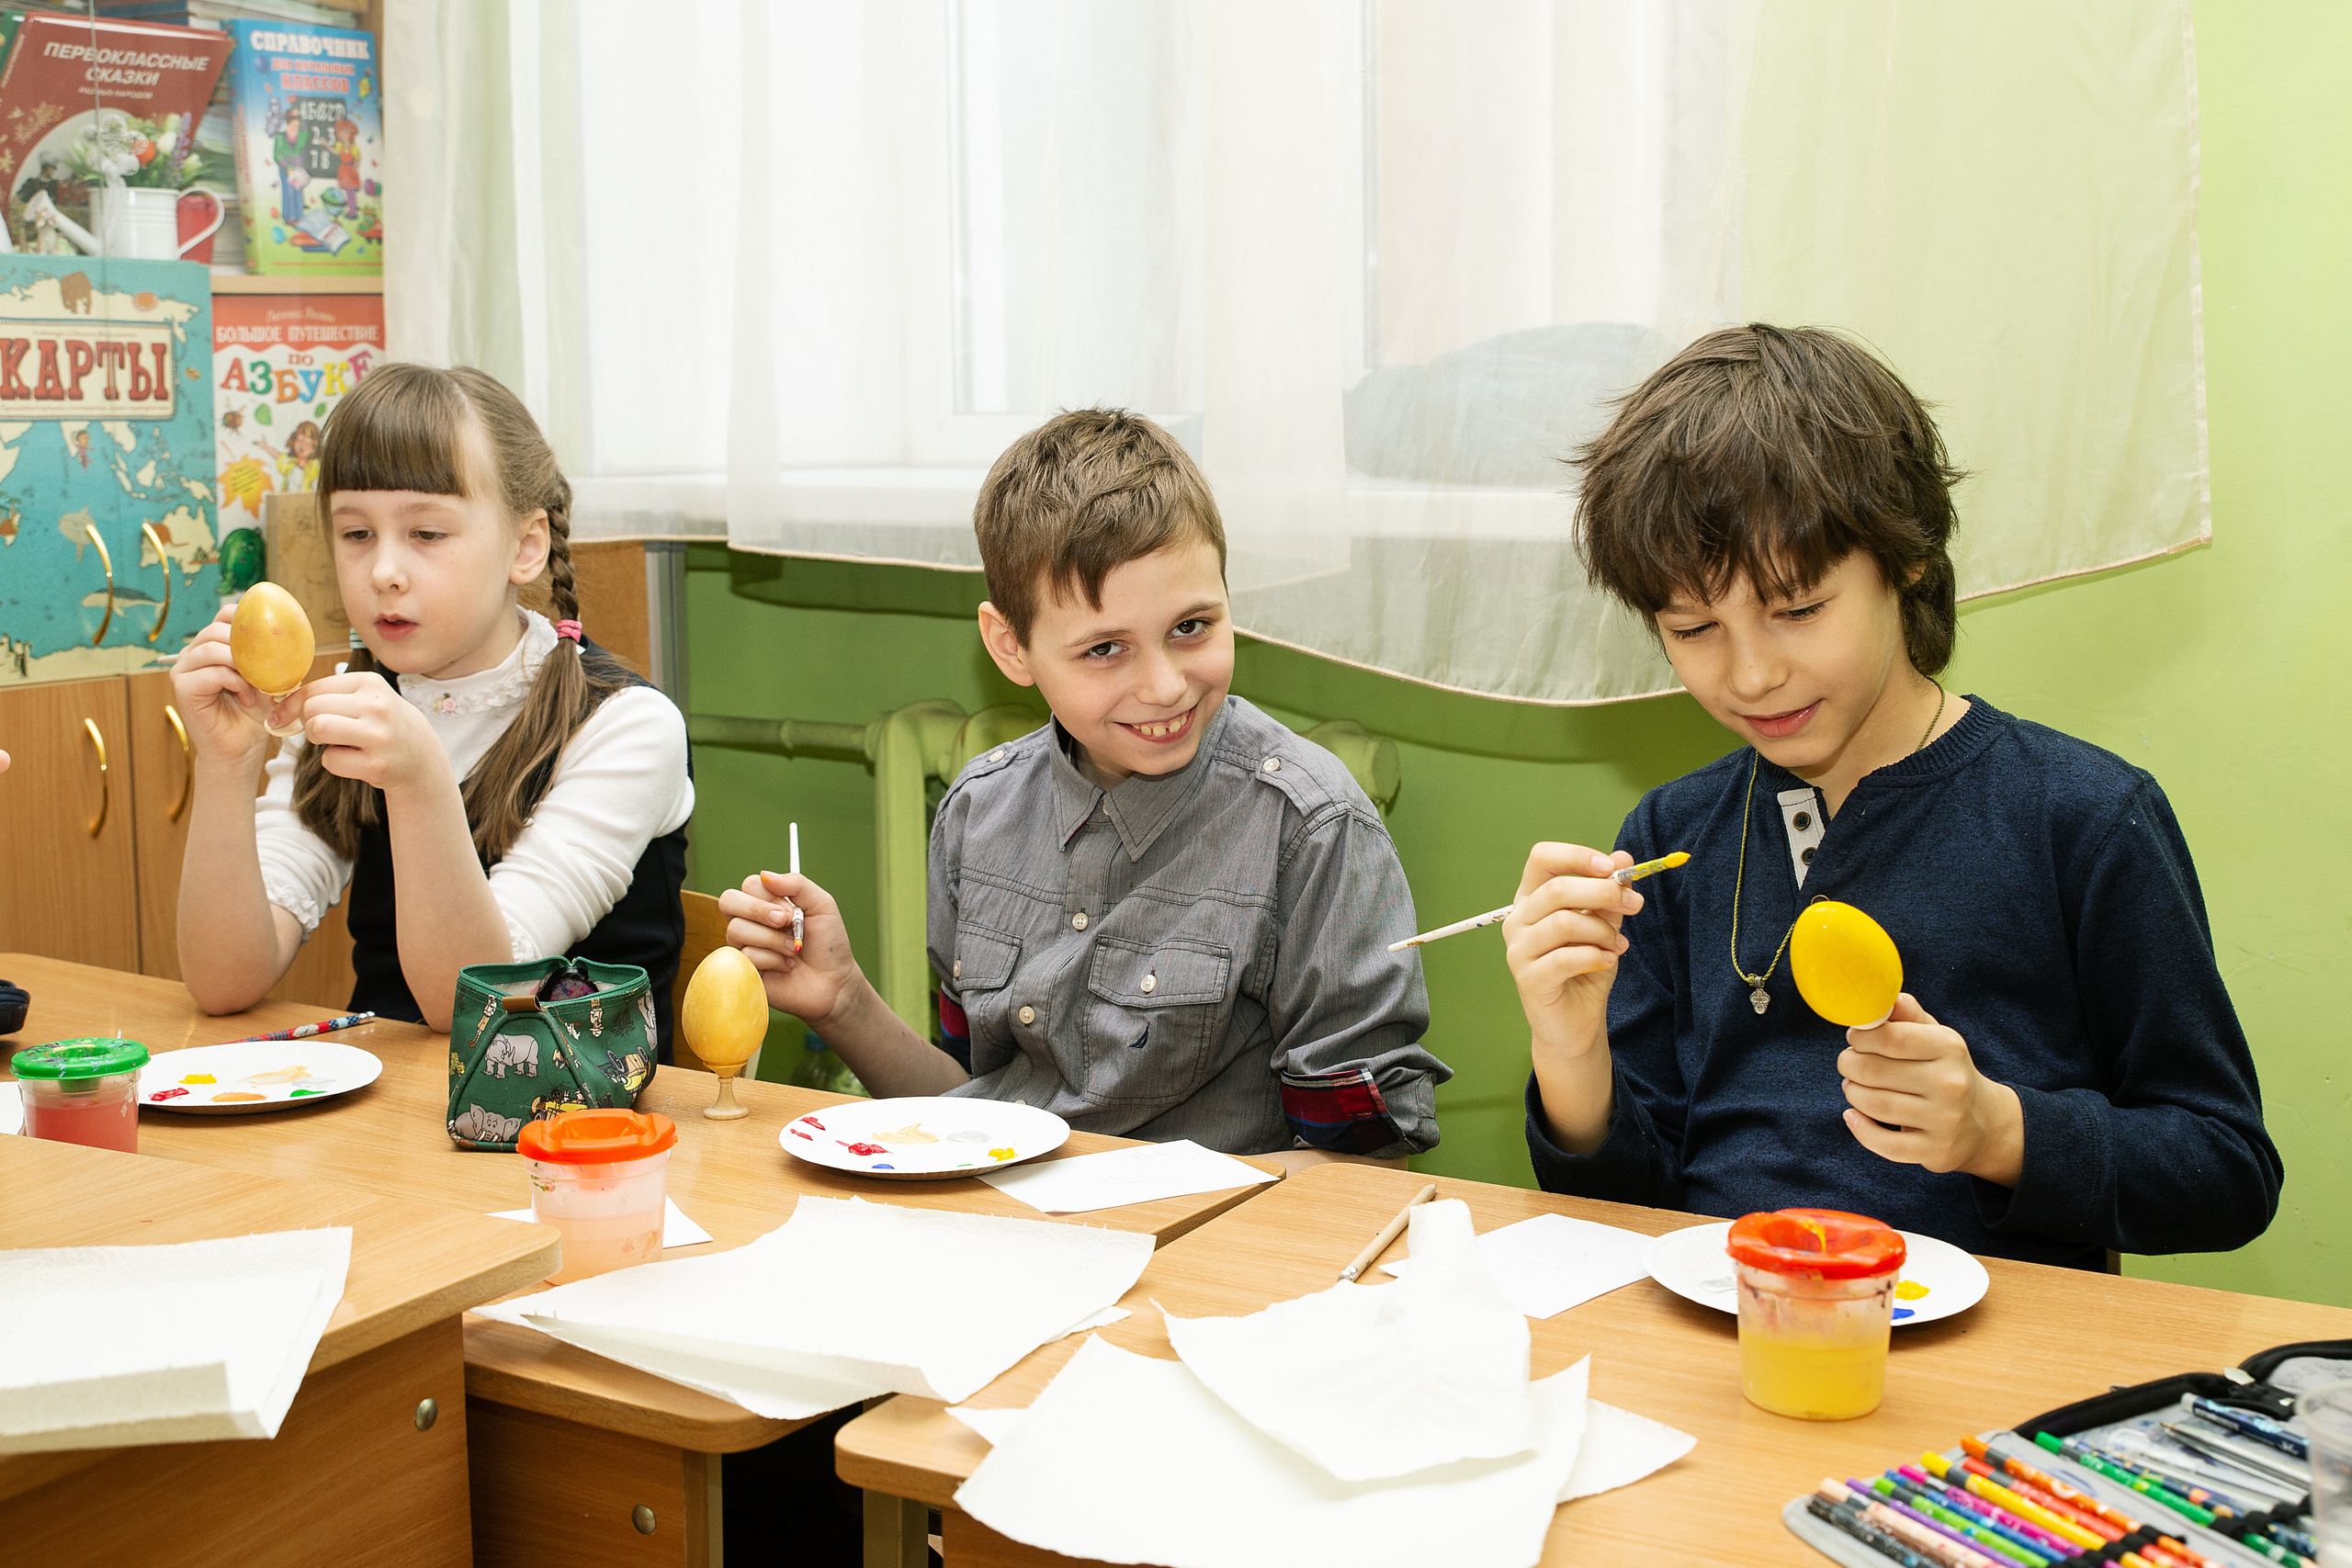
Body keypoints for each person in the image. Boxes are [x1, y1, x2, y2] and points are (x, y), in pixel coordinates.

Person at [1508, 324, 2279, 1269]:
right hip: (1732, 1337)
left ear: (1904, 557)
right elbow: (1624, 1205)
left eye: (1797, 610)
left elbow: (2227, 1173)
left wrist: (1997, 1131)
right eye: (1694, 626)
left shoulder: (2079, 816)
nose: (1750, 675)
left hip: (1987, 1364)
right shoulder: (1672, 834)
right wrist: (1569, 1049)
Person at [721, 408, 1449, 1167]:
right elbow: (971, 1106)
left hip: (1206, 1263)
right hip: (1010, 1246)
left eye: (1192, 626)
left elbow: (1366, 1162)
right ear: (1012, 646)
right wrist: (843, 1001)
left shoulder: (1311, 828)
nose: (1165, 685)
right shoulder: (977, 812)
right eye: (1106, 648)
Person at [169, 363, 694, 1051]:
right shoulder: (347, 703)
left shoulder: (625, 725)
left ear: (525, 545)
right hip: (391, 1126)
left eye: (427, 534)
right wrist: (227, 763)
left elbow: (473, 1000)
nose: (384, 569)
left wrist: (419, 780)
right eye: (356, 533)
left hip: (574, 1132)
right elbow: (224, 980)